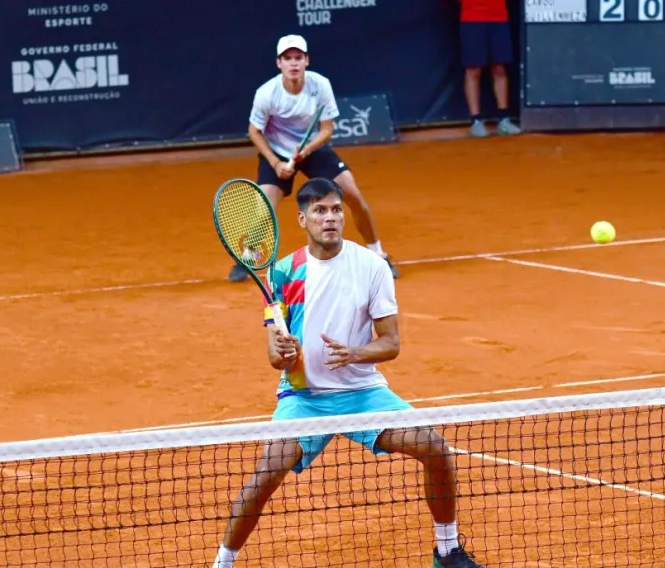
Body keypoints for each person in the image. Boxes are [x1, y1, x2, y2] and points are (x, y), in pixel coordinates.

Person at [212, 178, 484, 568]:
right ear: (302, 218)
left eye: (336, 209)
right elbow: (275, 353)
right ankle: (222, 564)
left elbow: (390, 343)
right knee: (265, 476)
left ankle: (447, 551)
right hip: (304, 398)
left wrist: (356, 353)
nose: (330, 218)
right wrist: (283, 353)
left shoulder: (371, 266)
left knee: (437, 450)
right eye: (320, 211)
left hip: (363, 393)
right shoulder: (283, 274)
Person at [227, 34, 400, 283]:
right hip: (276, 151)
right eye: (288, 59)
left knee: (352, 195)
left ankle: (379, 254)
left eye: (298, 58)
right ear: (279, 63)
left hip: (312, 148)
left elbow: (327, 129)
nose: (294, 63)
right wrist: (275, 163)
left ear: (306, 60)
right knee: (263, 206)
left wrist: (307, 149)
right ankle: (247, 257)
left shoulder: (320, 85)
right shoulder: (267, 93)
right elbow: (254, 131)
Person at [459, 0, 522, 137]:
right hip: (472, 18)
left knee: (499, 68)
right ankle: (476, 121)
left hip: (499, 17)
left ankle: (504, 120)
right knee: (473, 70)